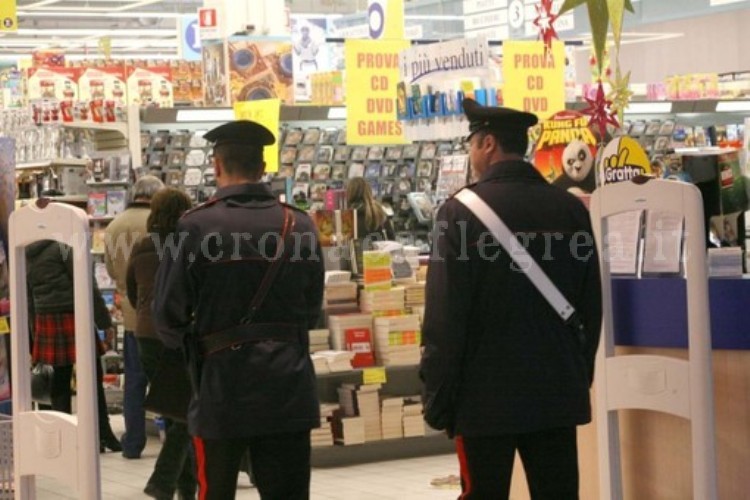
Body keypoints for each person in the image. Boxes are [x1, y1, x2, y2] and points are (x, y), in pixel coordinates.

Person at [420, 98, 602, 499]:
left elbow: (445, 317)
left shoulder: (459, 214)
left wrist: (437, 394)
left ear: (487, 144)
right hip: (556, 391)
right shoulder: (570, 209)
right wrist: (577, 374)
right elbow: (591, 303)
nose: (470, 154)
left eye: (471, 145)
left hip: (482, 399)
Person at [152, 120, 325, 500]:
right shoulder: (299, 225)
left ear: (216, 165)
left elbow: (166, 315)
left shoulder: (196, 226)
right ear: (263, 166)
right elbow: (312, 309)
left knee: (215, 492)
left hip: (220, 387)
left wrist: (197, 347)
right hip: (288, 385)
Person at [126, 187, 196, 500]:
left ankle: (184, 487)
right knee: (186, 411)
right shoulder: (188, 246)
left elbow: (131, 289)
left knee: (174, 410)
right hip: (179, 336)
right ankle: (163, 482)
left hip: (145, 336)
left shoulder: (142, 245)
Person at [26, 239, 122, 453]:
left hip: (45, 320)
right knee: (92, 379)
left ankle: (63, 441)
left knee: (58, 384)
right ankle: (102, 434)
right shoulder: (64, 248)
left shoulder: (26, 253)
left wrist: (33, 334)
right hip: (73, 316)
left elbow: (28, 298)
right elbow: (86, 284)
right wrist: (104, 322)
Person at [104, 174, 164, 459]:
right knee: (168, 380)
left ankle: (133, 443)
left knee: (135, 382)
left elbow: (113, 271)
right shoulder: (159, 224)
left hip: (130, 314)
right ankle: (173, 439)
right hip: (160, 315)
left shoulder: (114, 226)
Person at [346, 177, 396, 244]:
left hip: (355, 253)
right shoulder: (379, 212)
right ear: (369, 191)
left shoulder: (344, 216)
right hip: (379, 253)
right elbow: (391, 239)